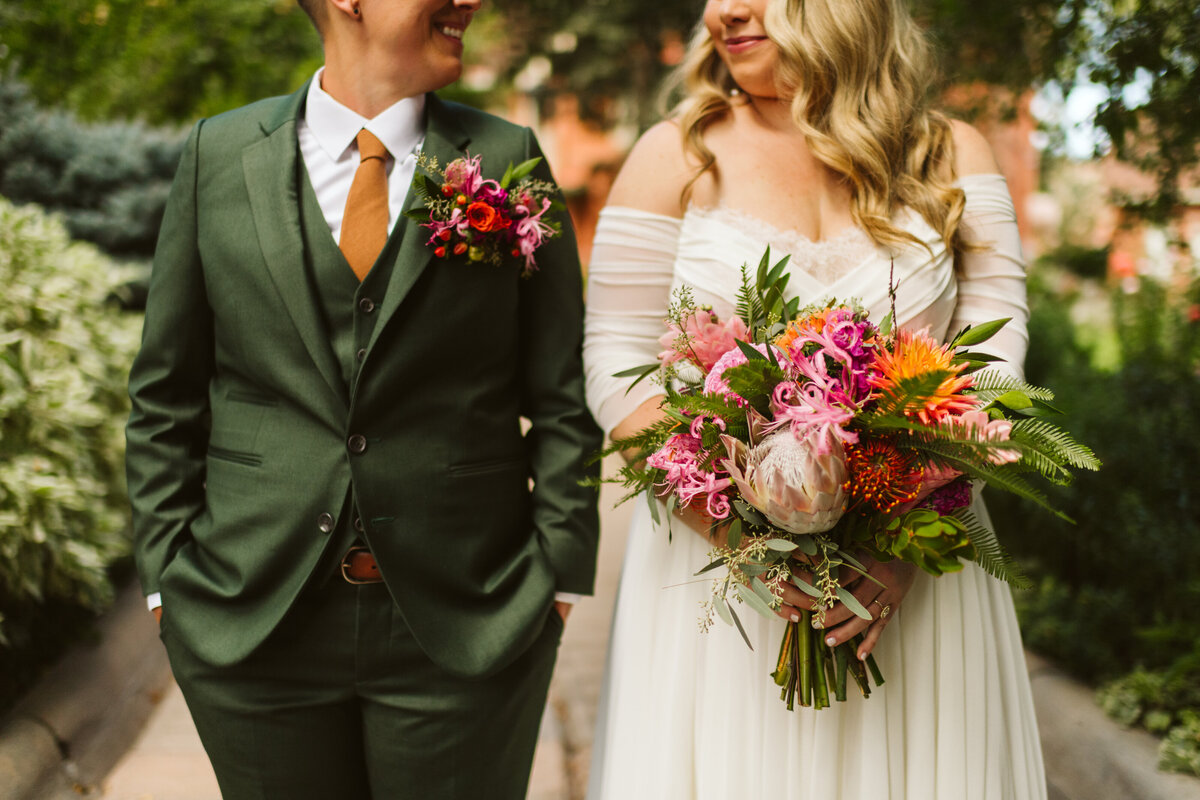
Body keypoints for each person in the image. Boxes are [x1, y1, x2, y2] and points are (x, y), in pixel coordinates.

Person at [125, 0, 601, 797]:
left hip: (469, 621)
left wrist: (556, 580)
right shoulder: (220, 152)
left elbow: (561, 393)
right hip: (251, 619)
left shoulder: (505, 155)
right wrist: (167, 581)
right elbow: (165, 394)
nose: (467, 3)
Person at [582, 0, 1044, 797]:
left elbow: (996, 355)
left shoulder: (950, 152)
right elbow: (613, 355)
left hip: (922, 571)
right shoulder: (676, 154)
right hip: (724, 585)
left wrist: (902, 539)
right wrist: (734, 530)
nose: (723, 9)